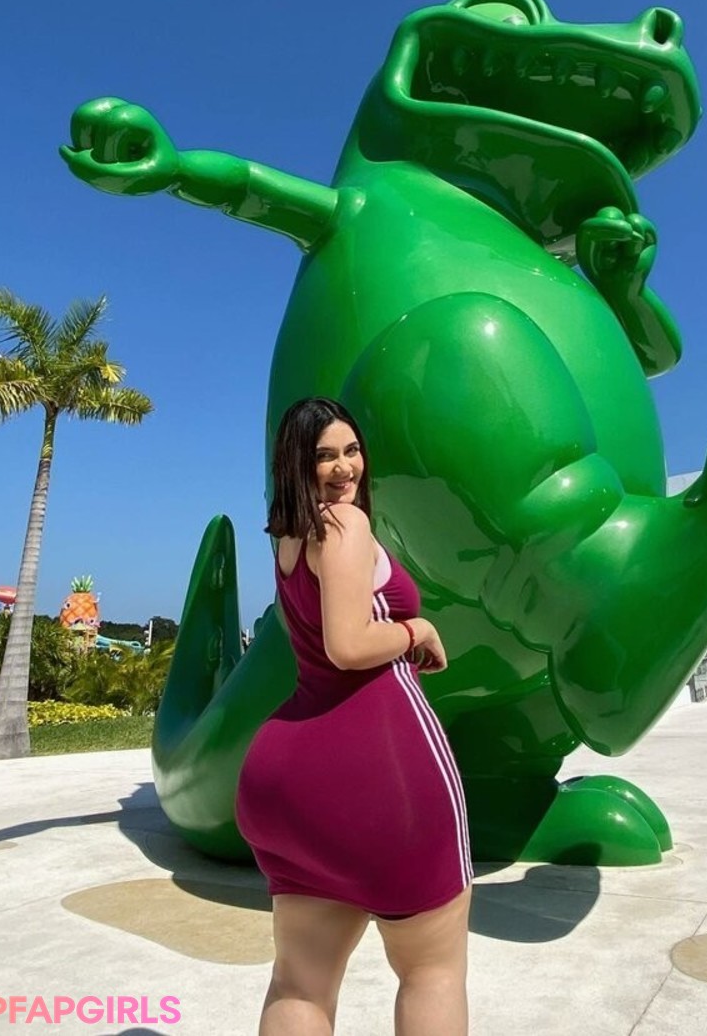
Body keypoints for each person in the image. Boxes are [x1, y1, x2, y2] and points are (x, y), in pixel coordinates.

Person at [236, 397, 472, 1036]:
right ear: (297, 464)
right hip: (379, 773)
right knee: (431, 971)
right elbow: (347, 645)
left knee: (299, 982)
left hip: (286, 774)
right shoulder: (344, 525)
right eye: (324, 456)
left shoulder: (289, 540)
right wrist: (417, 629)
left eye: (352, 450)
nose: (345, 468)